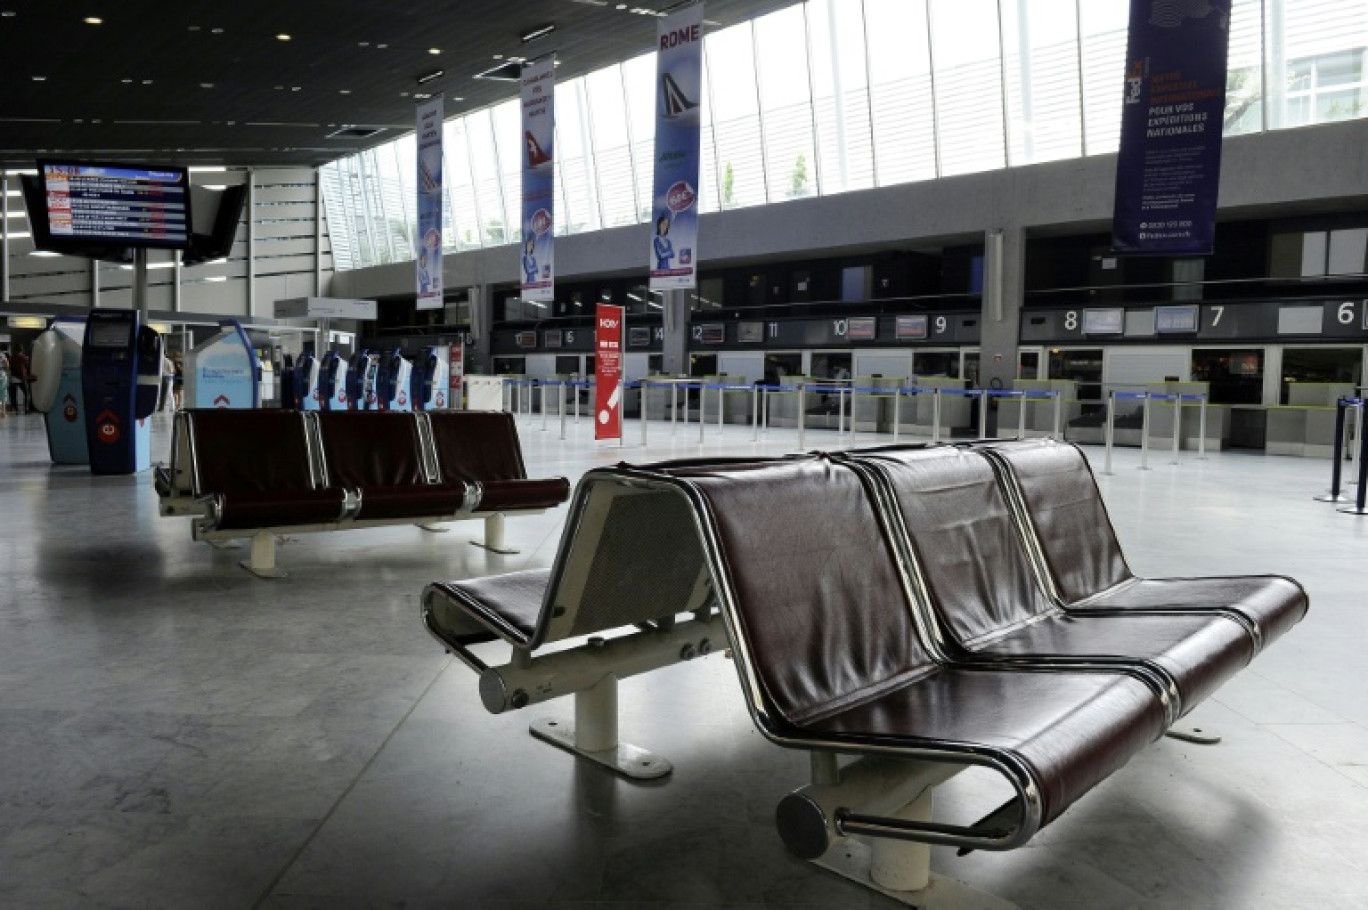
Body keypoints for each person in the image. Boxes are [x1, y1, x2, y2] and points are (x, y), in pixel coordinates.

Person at [10, 345, 30, 415]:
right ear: (21, 350)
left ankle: (16, 410)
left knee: (13, 395)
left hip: (14, 378)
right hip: (22, 378)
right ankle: (26, 409)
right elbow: (27, 366)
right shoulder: (24, 357)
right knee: (27, 394)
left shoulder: (11, 358)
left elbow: (10, 367)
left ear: (15, 350)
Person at [0, 349, 9, 420]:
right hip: (2, 376)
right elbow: (7, 365)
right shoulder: (2, 355)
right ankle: (3, 412)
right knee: (3, 393)